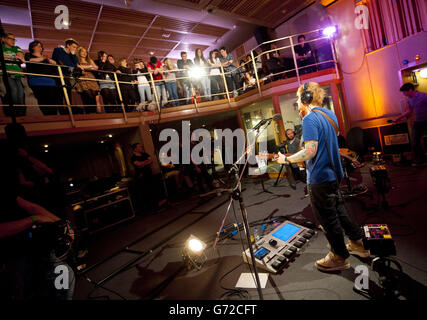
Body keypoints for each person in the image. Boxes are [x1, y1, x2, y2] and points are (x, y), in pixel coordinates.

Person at [276, 82, 369, 272]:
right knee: (340, 211)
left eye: (298, 97)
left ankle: (338, 256)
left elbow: (310, 151)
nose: (298, 101)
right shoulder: (330, 114)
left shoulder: (310, 119)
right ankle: (358, 243)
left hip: (319, 177)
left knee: (328, 219)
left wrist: (286, 159)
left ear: (305, 98)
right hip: (335, 174)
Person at [393, 83, 427, 165]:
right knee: (415, 141)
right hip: (418, 122)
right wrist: (398, 118)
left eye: (405, 92)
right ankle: (421, 160)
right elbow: (409, 111)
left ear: (410, 90)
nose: (404, 94)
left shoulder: (423, 96)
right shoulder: (409, 99)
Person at [25, 40, 62, 116]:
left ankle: (53, 116)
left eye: (41, 46)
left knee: (53, 100)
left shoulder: (46, 58)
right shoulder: (28, 55)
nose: (40, 47)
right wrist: (43, 58)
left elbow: (55, 65)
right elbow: (30, 61)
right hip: (37, 81)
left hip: (50, 81)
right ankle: (47, 115)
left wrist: (53, 62)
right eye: (37, 46)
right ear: (32, 47)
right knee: (43, 100)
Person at [52, 38, 83, 114]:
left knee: (68, 93)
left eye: (76, 48)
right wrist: (72, 66)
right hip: (59, 75)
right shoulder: (58, 50)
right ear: (68, 45)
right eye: (73, 47)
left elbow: (77, 64)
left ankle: (69, 111)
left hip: (67, 76)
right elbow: (61, 62)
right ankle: (61, 111)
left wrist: (73, 55)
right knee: (59, 94)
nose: (74, 49)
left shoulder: (72, 55)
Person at [1, 33, 26, 116]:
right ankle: (14, 113)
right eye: (10, 38)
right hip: (6, 73)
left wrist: (8, 57)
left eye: (14, 39)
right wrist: (13, 57)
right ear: (3, 39)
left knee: (21, 93)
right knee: (13, 92)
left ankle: (21, 113)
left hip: (18, 73)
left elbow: (21, 58)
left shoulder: (17, 48)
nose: (13, 41)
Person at [75, 46, 100, 114]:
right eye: (83, 51)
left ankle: (94, 113)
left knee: (93, 94)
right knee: (87, 94)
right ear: (79, 52)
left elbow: (96, 67)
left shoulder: (89, 60)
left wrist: (86, 67)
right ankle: (89, 113)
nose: (84, 53)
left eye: (86, 52)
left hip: (91, 78)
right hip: (82, 77)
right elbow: (78, 66)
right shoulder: (76, 59)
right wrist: (90, 66)